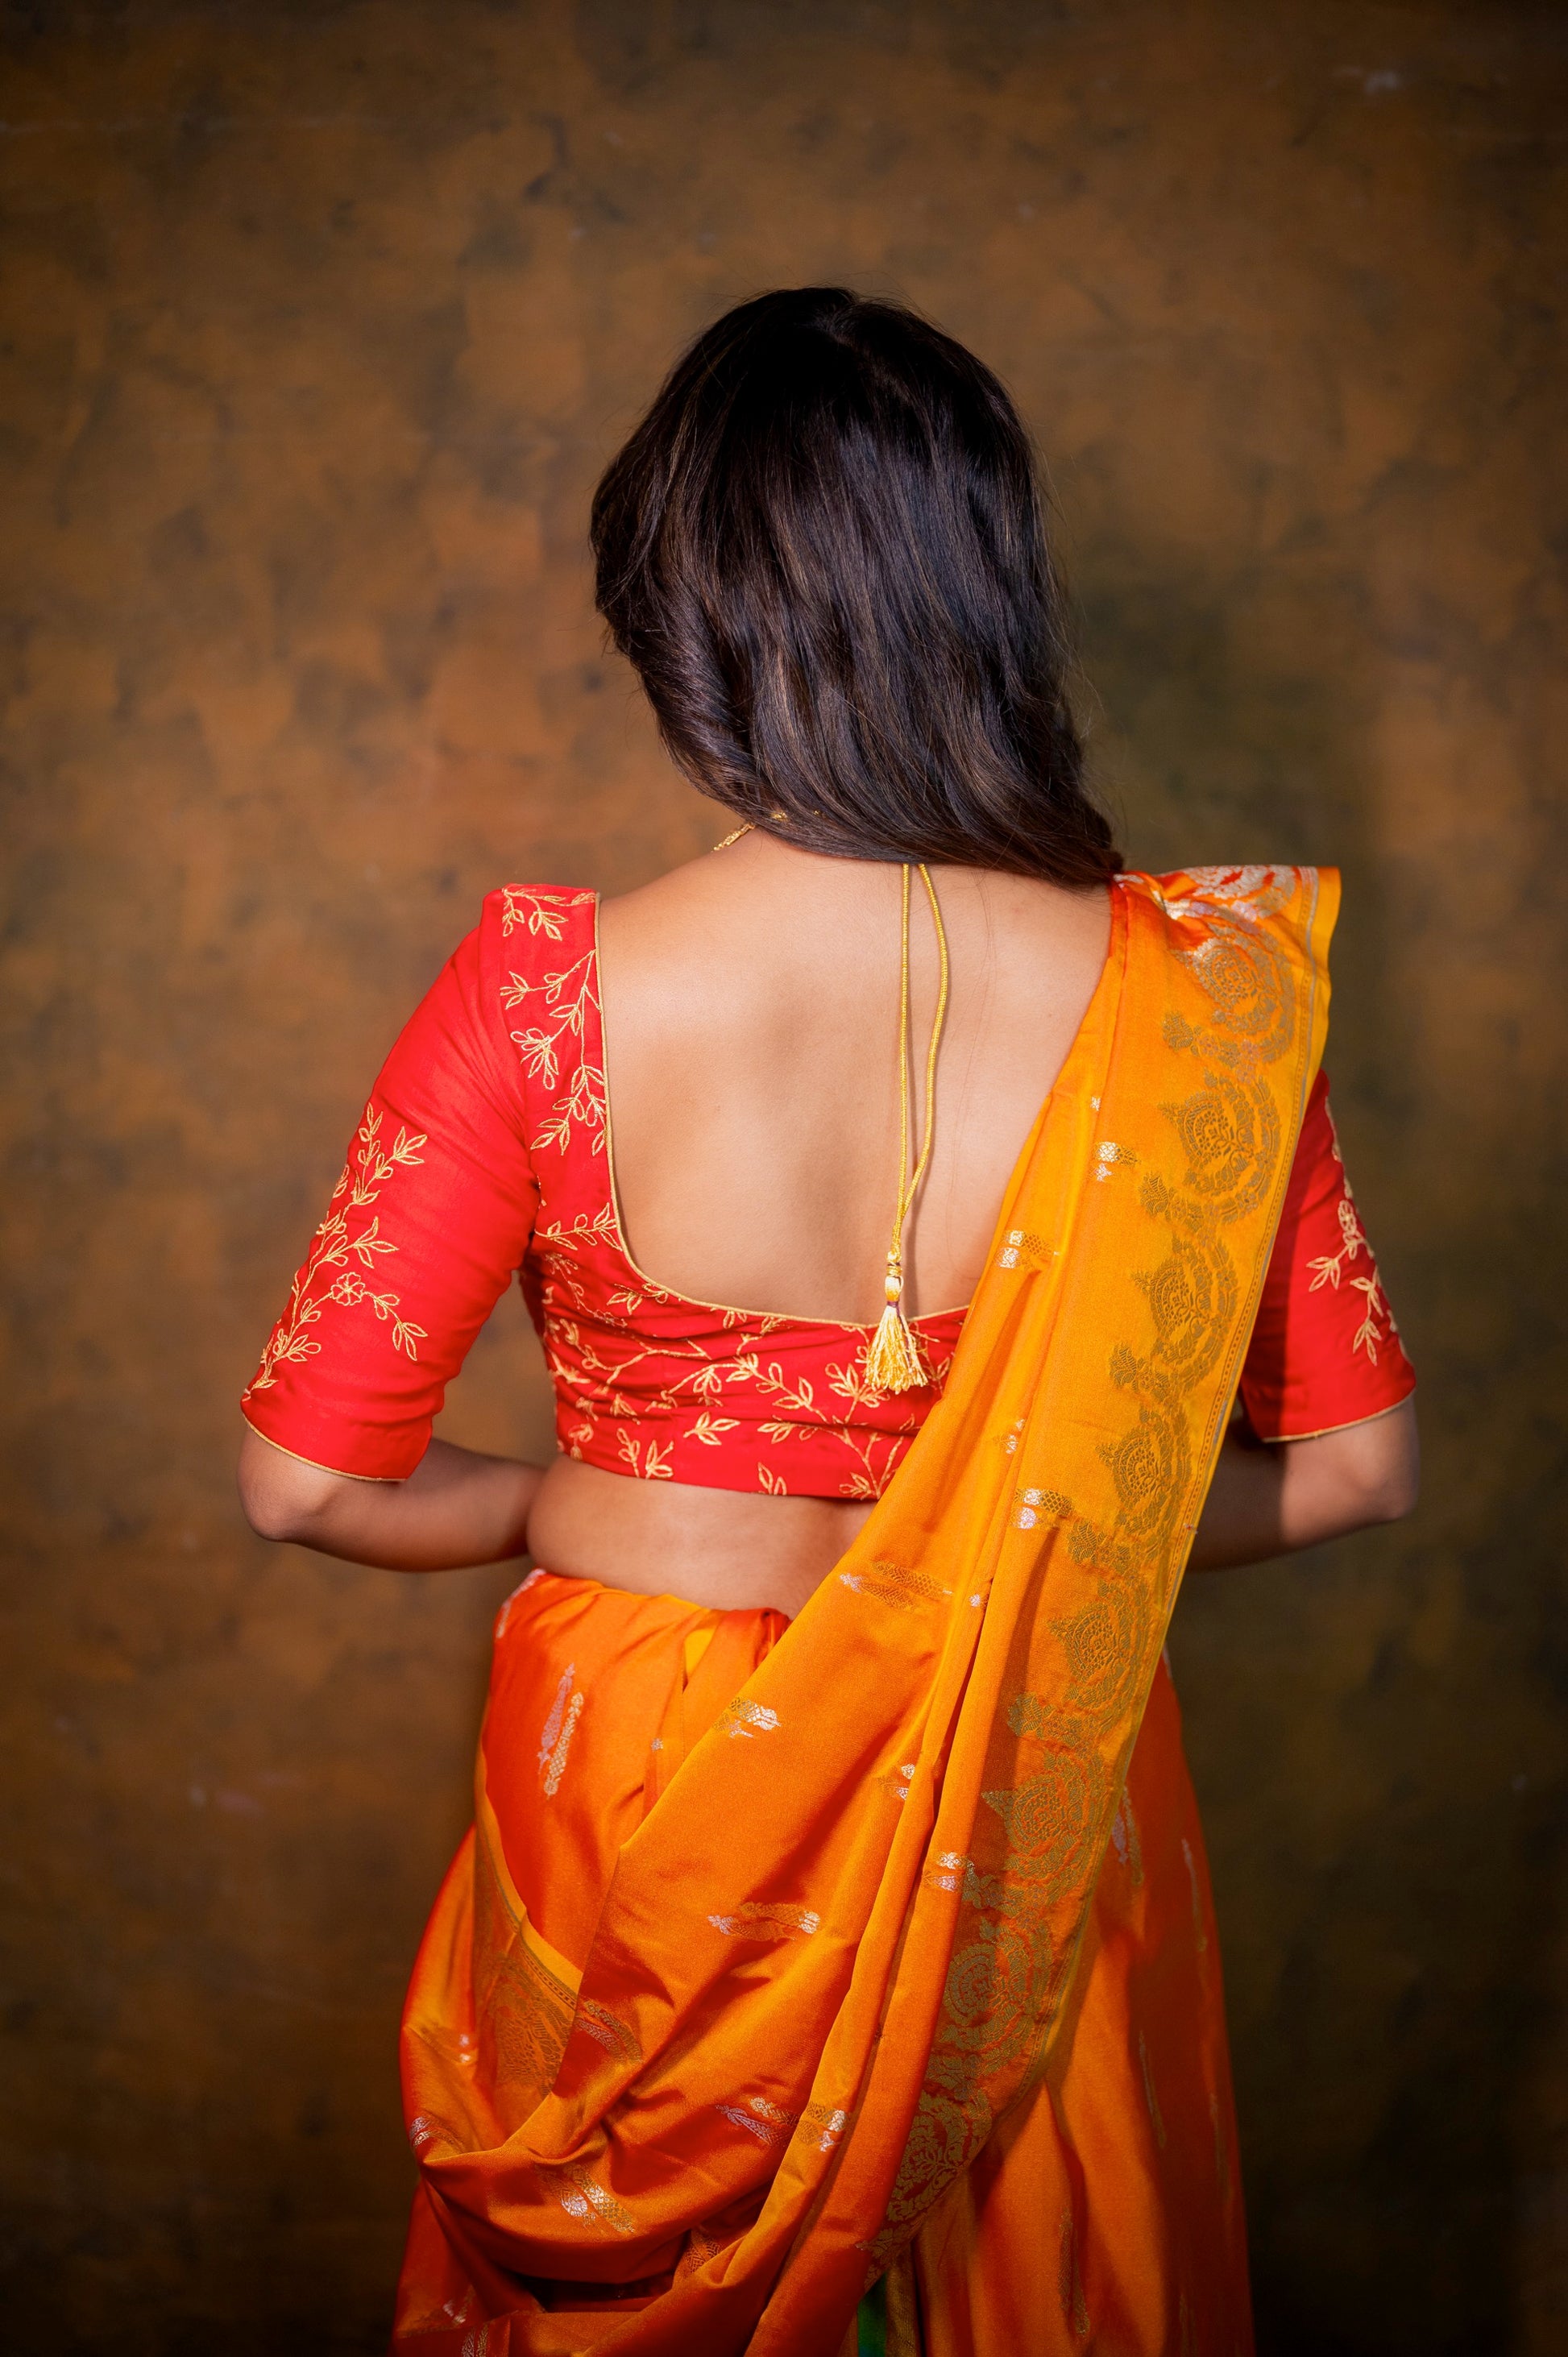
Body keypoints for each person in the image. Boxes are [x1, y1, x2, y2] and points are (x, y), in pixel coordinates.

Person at [239, 288, 1418, 2357]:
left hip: (639, 1767)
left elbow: (307, 1480)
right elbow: (1353, 1465)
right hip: (1027, 1762)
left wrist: (572, 1508)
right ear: (993, 600)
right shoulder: (1195, 1002)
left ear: (681, 615)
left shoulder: (544, 995)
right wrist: (1010, 1562)